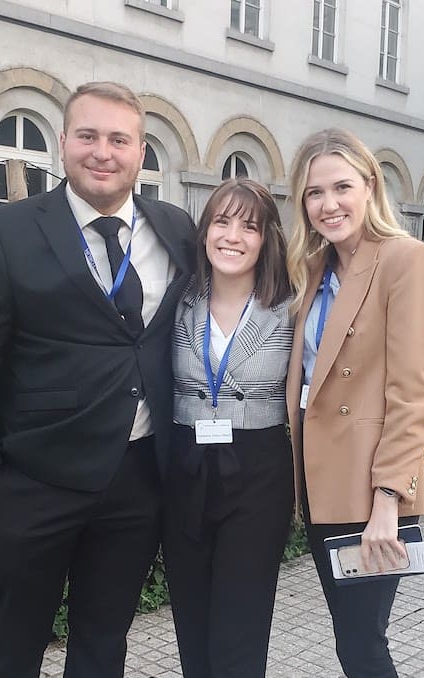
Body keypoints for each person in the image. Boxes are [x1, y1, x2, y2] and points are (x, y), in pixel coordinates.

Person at [0, 81, 195, 678]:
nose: (102, 152)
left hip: (136, 480)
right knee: (11, 648)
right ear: (62, 144)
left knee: (104, 645)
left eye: (118, 139)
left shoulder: (177, 228)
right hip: (35, 480)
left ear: (140, 151)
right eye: (88, 135)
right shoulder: (10, 230)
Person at [284, 128, 424, 677]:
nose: (328, 205)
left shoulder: (407, 260)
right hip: (324, 488)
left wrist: (387, 505)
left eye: (341, 187)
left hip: (373, 493)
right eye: (313, 193)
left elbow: (414, 391)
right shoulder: (314, 271)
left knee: (362, 646)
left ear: (369, 186)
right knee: (350, 641)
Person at [163, 178, 294, 678]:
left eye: (250, 225)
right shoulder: (178, 299)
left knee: (240, 626)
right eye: (222, 221)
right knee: (191, 623)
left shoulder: (290, 308)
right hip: (185, 466)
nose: (233, 236)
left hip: (257, 472)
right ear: (204, 232)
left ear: (266, 239)